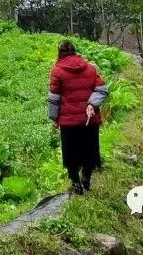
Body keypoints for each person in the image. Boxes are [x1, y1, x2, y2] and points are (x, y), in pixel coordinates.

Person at [47, 39, 108, 195]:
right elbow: (102, 90)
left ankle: (76, 183)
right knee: (90, 149)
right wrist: (91, 104)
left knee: (71, 151)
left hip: (69, 122)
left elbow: (54, 97)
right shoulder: (90, 69)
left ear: (59, 53)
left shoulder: (57, 71)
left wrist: (54, 117)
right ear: (75, 51)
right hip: (90, 119)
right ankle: (86, 179)